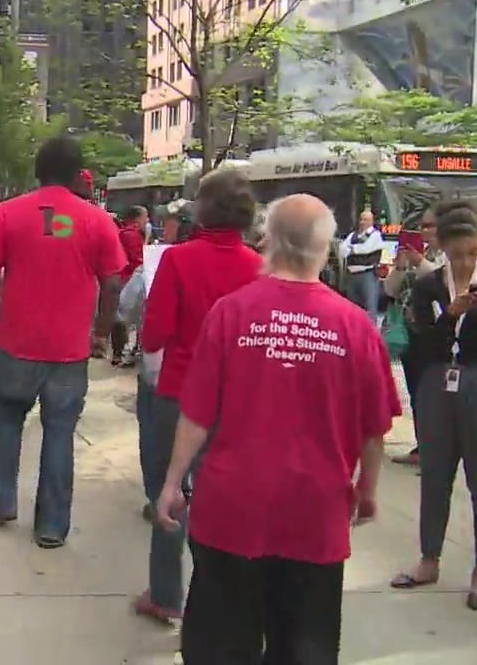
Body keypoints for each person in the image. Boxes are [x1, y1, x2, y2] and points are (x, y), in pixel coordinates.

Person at [155, 193, 397, 663]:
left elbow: (198, 413)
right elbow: (374, 429)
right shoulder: (355, 326)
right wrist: (367, 490)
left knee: (220, 645)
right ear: (327, 248)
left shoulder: (231, 312)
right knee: (305, 643)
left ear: (268, 242)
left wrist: (171, 482)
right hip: (315, 514)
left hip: (231, 511)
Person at [0, 136, 127, 549]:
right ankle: (52, 525)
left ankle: (1, 501)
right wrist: (100, 330)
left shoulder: (8, 214)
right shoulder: (97, 221)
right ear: (79, 174)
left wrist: (6, 293)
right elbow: (113, 282)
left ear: (37, 170)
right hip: (69, 350)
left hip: (16, 343)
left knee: (7, 421)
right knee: (60, 433)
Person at [135, 168, 264, 623]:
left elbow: (154, 337)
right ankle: (221, 594)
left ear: (201, 211)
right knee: (224, 497)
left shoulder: (178, 260)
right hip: (237, 401)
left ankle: (167, 595)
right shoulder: (259, 268)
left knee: (167, 492)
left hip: (178, 394)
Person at [391, 200, 477, 611]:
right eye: (457, 253)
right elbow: (417, 344)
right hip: (438, 383)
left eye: (472, 253)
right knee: (436, 477)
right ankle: (429, 558)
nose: (464, 261)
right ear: (442, 247)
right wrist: (448, 318)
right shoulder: (428, 287)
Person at [382, 208, 445, 466]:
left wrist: (419, 263)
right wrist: (399, 268)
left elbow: (442, 281)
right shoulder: (424, 255)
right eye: (422, 227)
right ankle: (422, 445)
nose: (425, 231)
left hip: (435, 332)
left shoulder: (445, 257)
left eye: (430, 226)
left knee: (431, 391)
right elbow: (390, 290)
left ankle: (436, 448)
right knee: (415, 389)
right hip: (411, 330)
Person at [112, 205, 149, 367]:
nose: (147, 221)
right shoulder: (132, 235)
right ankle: (121, 352)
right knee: (125, 317)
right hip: (128, 279)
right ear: (137, 219)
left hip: (123, 278)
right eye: (145, 217)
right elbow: (139, 259)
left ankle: (120, 352)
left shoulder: (124, 233)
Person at [339, 209, 385, 320]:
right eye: (361, 219)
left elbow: (366, 248)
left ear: (372, 221)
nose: (362, 222)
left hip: (368, 275)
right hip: (352, 275)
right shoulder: (353, 235)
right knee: (352, 307)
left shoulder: (375, 235)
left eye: (366, 219)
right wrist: (352, 250)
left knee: (369, 308)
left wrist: (351, 249)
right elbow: (341, 249)